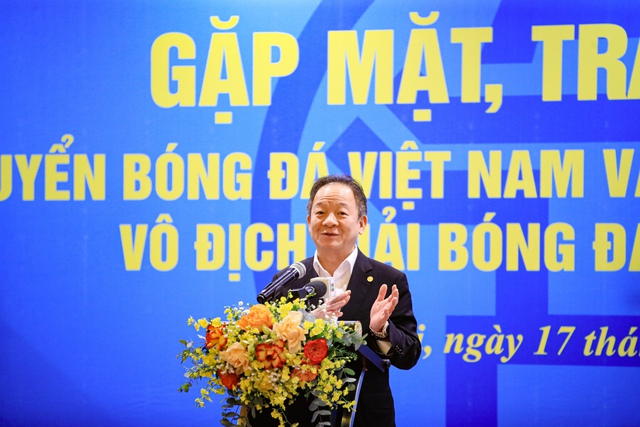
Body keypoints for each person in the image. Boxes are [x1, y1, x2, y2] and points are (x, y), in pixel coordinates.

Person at [252, 174, 421, 427]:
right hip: (296, 417)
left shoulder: (388, 280)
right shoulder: (288, 281)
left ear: (361, 223)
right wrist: (305, 323)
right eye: (320, 213)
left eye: (341, 213)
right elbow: (265, 352)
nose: (329, 221)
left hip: (364, 417)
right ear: (309, 222)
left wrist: (381, 330)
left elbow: (409, 356)